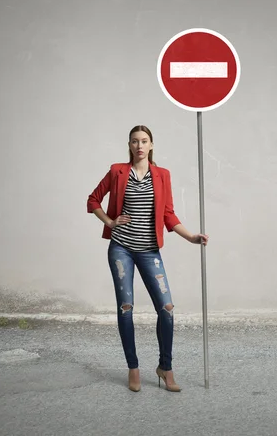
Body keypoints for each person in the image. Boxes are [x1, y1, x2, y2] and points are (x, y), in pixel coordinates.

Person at [87, 125, 208, 393]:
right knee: (126, 307)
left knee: (166, 308)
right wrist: (110, 221)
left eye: (144, 141)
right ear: (129, 145)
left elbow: (168, 214)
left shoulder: (162, 175)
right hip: (121, 249)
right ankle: (133, 367)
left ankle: (165, 367)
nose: (139, 146)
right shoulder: (118, 171)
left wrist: (190, 237)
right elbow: (93, 200)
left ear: (151, 145)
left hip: (149, 251)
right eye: (134, 141)